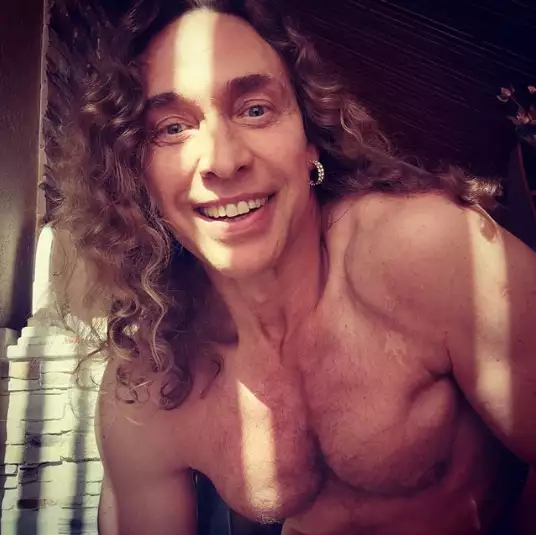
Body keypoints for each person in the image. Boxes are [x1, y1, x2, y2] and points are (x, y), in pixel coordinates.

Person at [45, 0, 536, 533]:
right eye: (172, 128)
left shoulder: (428, 251)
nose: (223, 161)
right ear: (136, 179)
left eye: (255, 110)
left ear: (310, 142)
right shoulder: (151, 384)